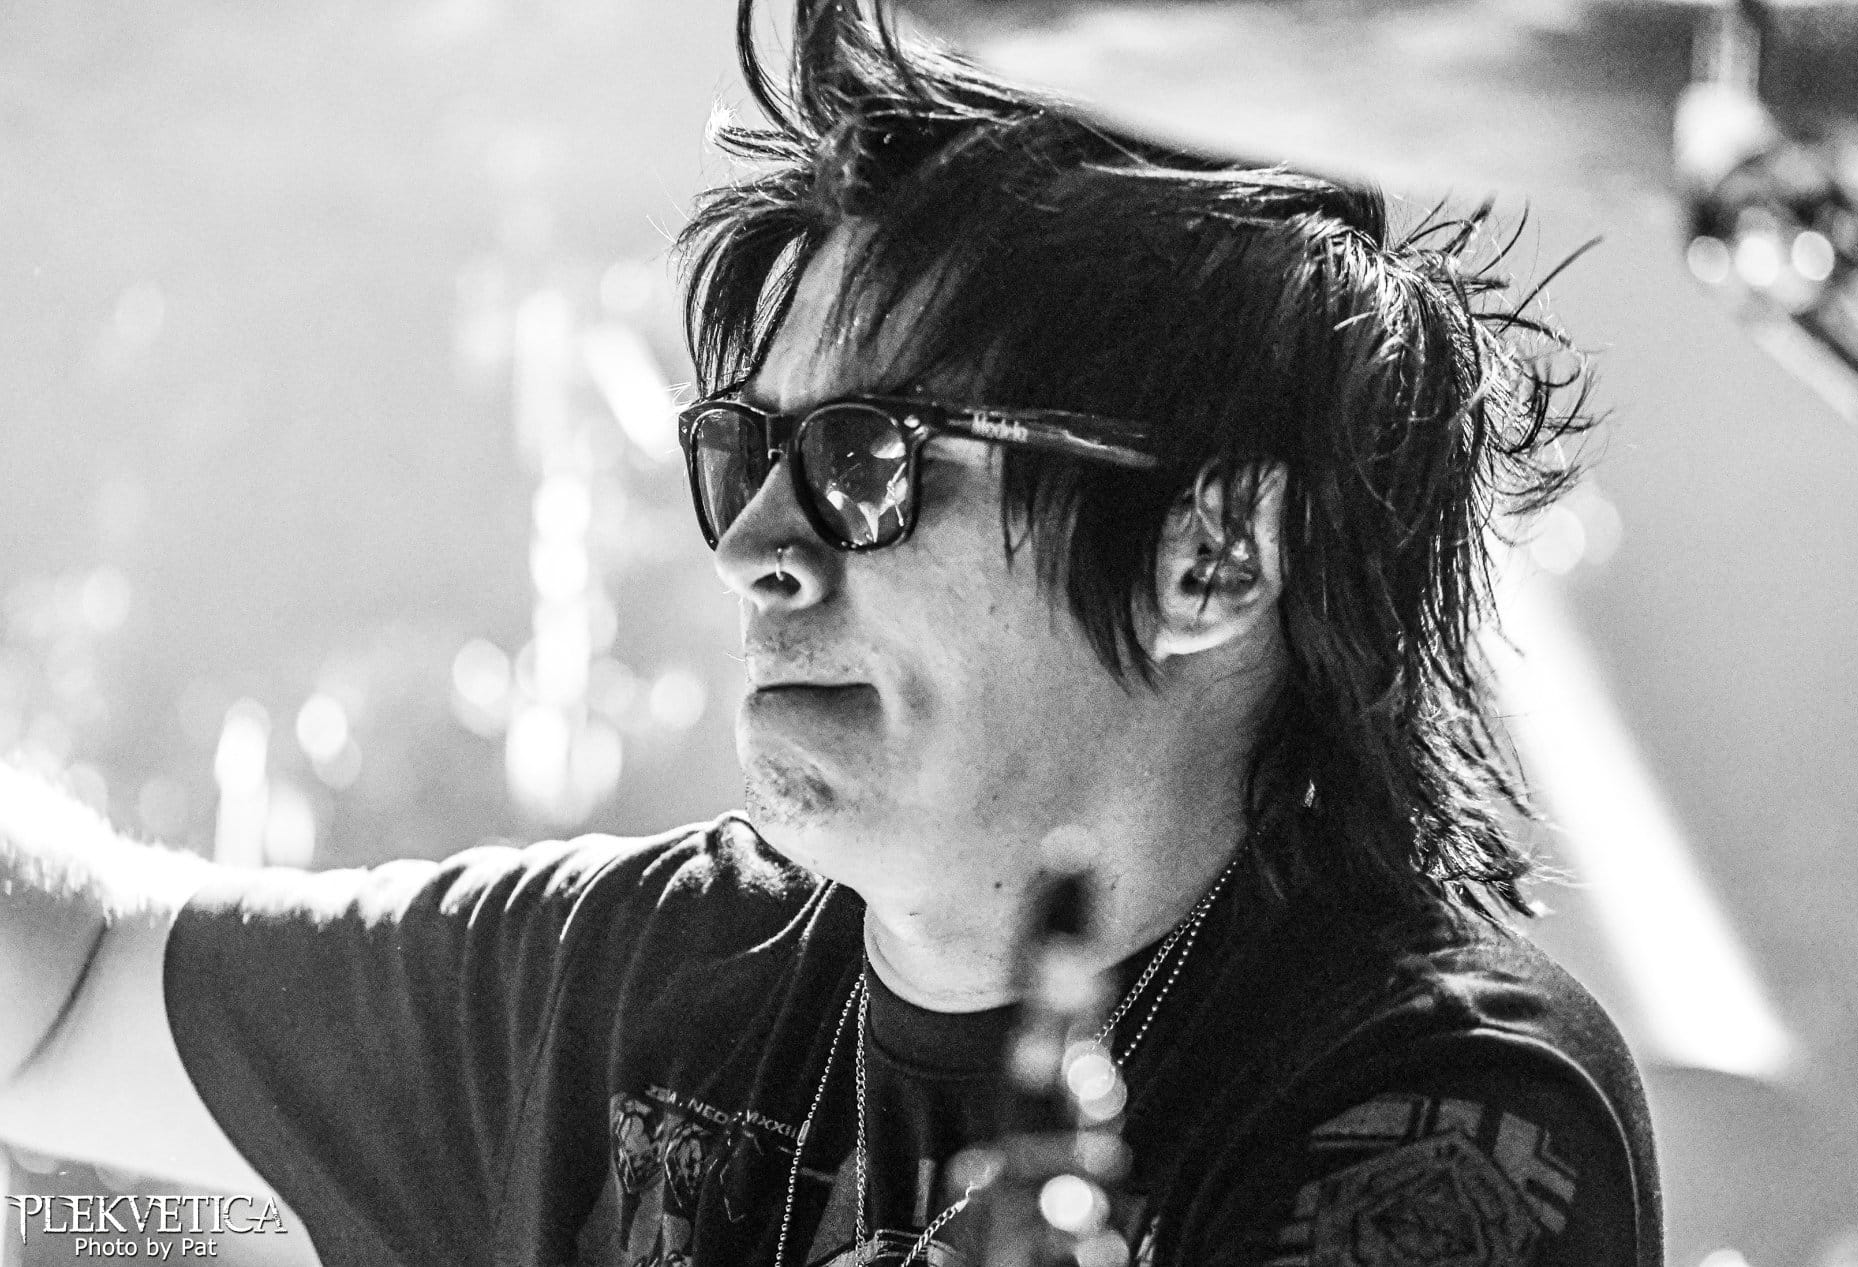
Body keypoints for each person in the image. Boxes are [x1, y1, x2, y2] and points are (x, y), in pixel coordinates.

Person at [0, 1, 1663, 1262]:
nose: (755, 550)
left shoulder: (1442, 1108)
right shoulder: (631, 978)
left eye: (869, 463)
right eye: (747, 454)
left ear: (1212, 553)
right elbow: (66, 987)